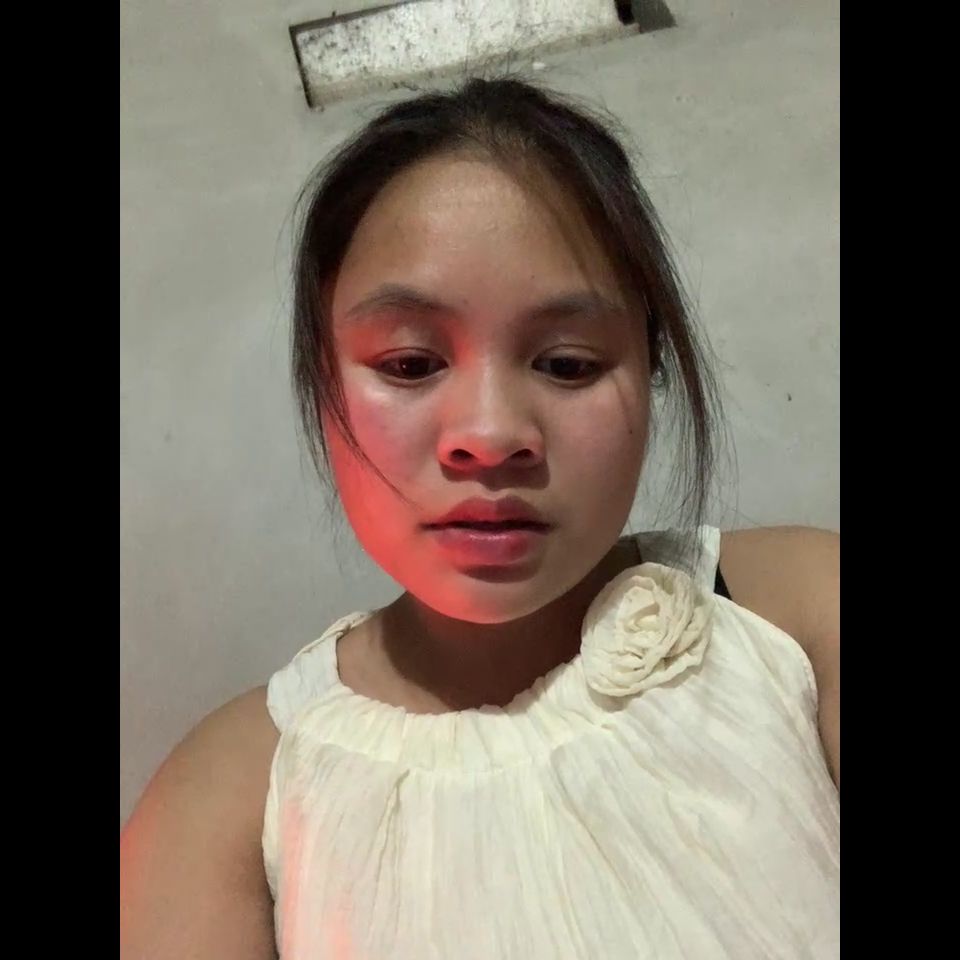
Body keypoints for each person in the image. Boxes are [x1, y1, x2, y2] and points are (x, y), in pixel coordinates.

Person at [120, 77, 840, 959]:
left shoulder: (802, 618)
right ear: (321, 383)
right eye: (411, 363)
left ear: (650, 363)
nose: (491, 436)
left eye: (567, 363)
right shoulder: (221, 805)